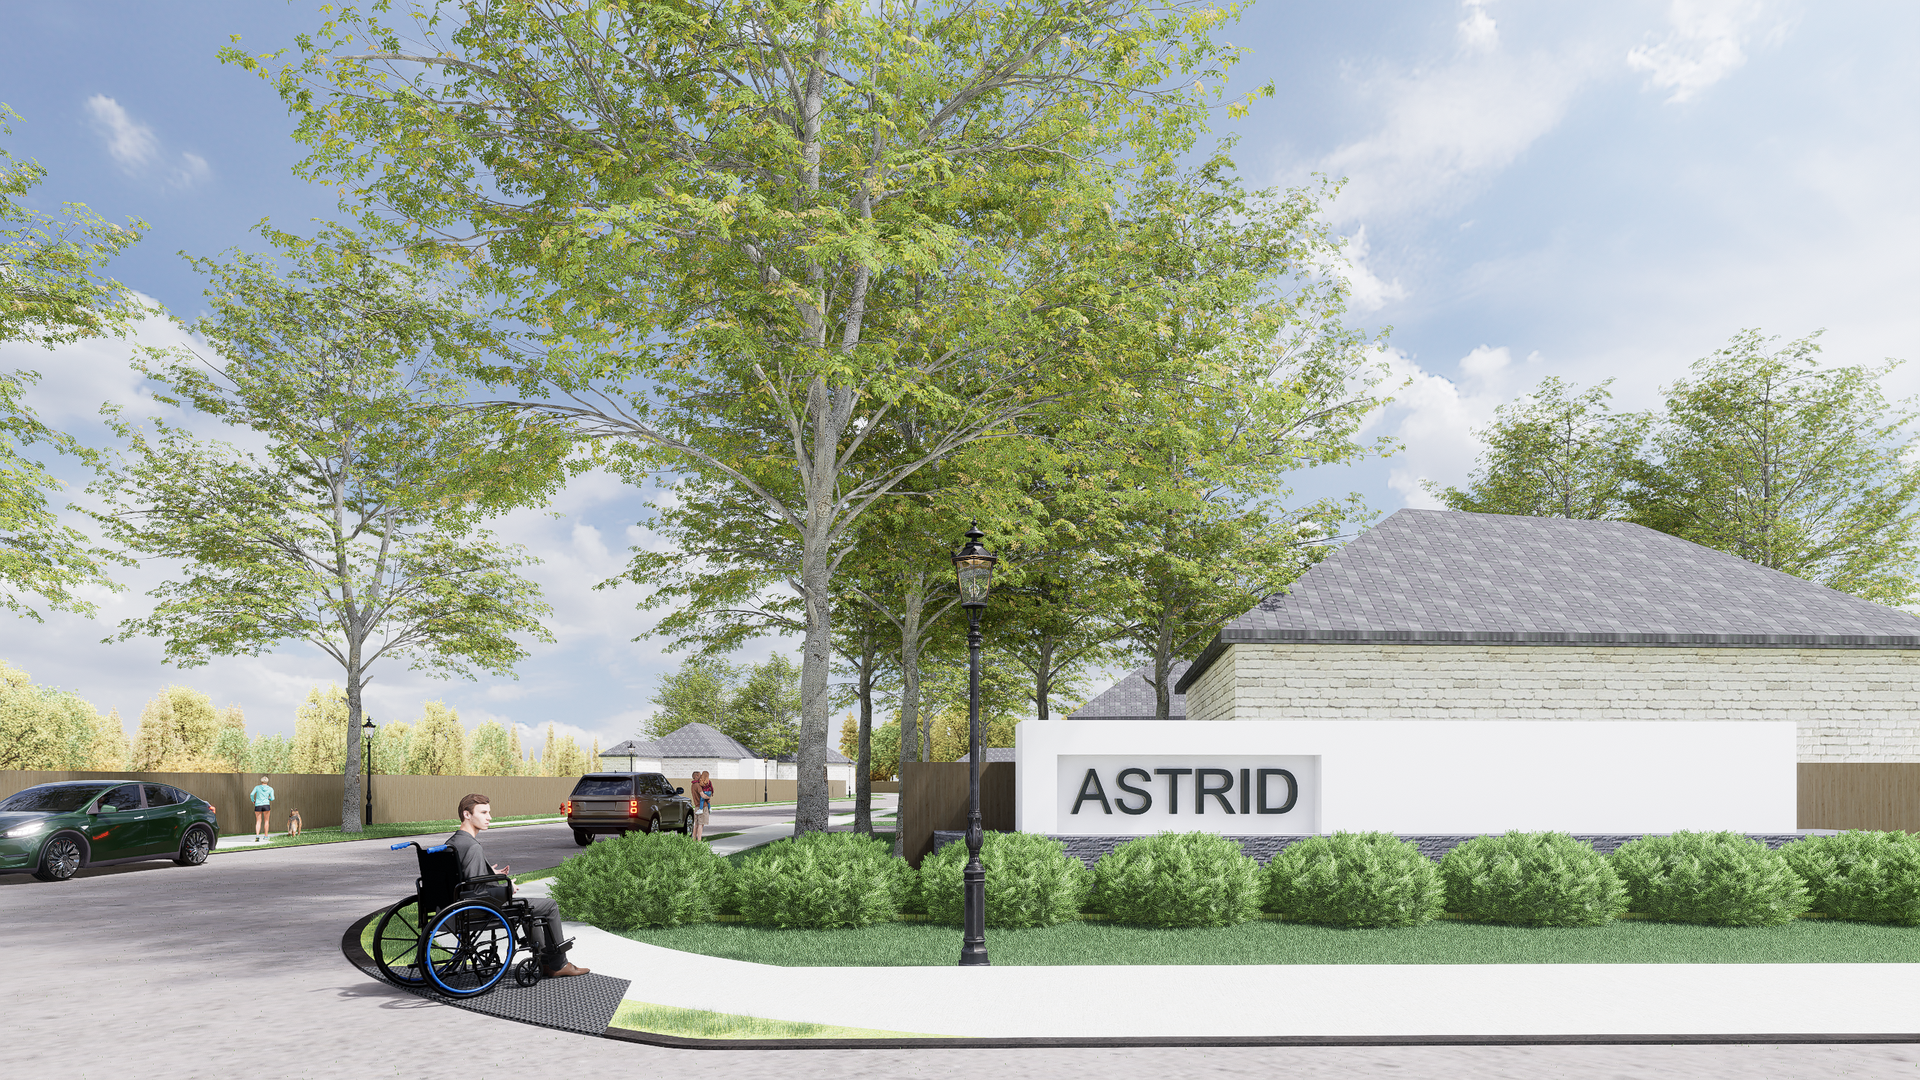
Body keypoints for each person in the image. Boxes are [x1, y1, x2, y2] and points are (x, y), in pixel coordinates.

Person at [449, 793, 589, 978]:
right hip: (478, 909)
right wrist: (506, 889)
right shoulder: (473, 847)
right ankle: (557, 963)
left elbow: (464, 877)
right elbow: (477, 891)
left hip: (454, 906)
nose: (489, 817)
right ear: (467, 815)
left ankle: (545, 961)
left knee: (531, 909)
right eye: (483, 812)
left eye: (489, 812)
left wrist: (491, 873)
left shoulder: (453, 842)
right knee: (549, 906)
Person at [249, 777, 275, 842]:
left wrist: (253, 800)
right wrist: (269, 798)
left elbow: (252, 794)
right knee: (266, 821)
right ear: (267, 781)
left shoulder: (257, 787)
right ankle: (266, 836)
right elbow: (272, 798)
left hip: (258, 805)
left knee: (258, 821)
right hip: (266, 805)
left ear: (261, 781)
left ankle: (257, 836)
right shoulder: (270, 789)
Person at [693, 770, 715, 841]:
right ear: (696, 776)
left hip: (696, 806)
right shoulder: (699, 785)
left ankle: (693, 840)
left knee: (696, 825)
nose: (701, 777)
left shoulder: (692, 785)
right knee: (701, 825)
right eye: (700, 775)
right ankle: (699, 841)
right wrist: (708, 797)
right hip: (702, 806)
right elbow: (702, 795)